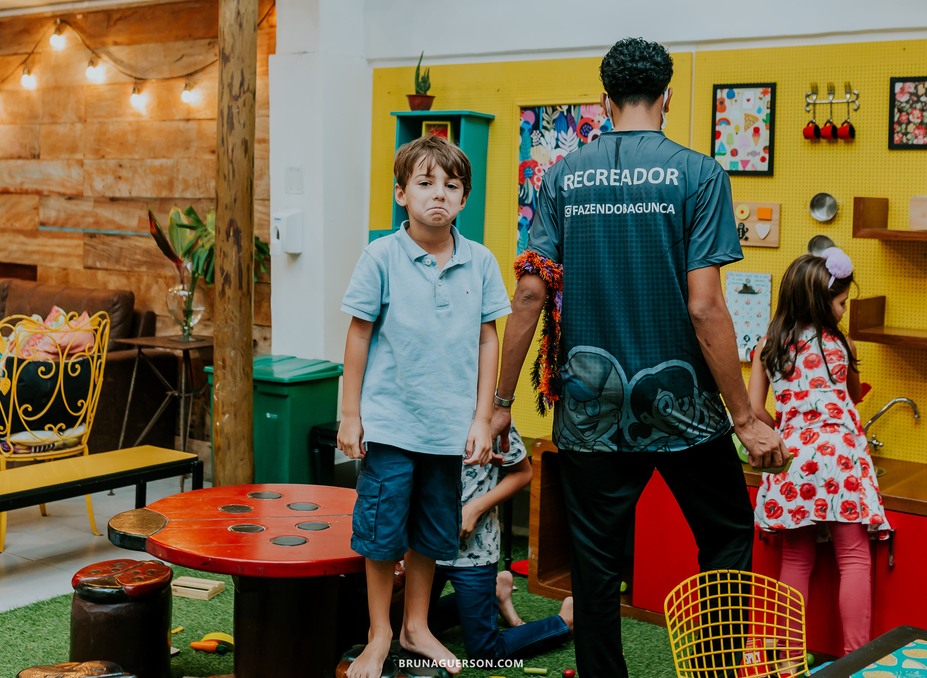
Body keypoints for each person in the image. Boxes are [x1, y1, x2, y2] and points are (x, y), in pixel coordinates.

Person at [490, 37, 787, 678]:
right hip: (683, 407)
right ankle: (714, 672)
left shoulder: (560, 176)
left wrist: (500, 403)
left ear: (605, 101)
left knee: (596, 563)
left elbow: (530, 294)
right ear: (666, 98)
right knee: (726, 536)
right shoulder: (699, 174)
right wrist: (744, 416)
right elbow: (706, 307)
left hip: (589, 408)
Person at [338, 135, 511, 678]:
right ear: (401, 194)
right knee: (382, 533)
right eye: (425, 183)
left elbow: (488, 340)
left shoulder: (481, 262)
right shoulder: (381, 257)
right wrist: (350, 414)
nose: (439, 194)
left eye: (451, 185)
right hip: (390, 426)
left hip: (447, 431)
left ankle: (416, 625)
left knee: (431, 533)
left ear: (464, 199)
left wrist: (482, 418)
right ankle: (380, 633)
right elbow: (358, 334)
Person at [748, 249, 888, 654]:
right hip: (841, 457)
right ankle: (854, 658)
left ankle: (789, 659)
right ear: (820, 301)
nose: (843, 311)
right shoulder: (840, 344)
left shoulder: (768, 345)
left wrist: (786, 429)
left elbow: (755, 410)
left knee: (795, 559)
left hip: (792, 458)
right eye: (841, 303)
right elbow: (851, 397)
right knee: (854, 557)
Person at [428, 418, 573, 663]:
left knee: (485, 652)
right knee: (410, 631)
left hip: (475, 551)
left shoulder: (489, 416)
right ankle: (494, 591)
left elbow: (523, 472)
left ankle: (565, 621)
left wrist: (475, 508)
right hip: (425, 550)